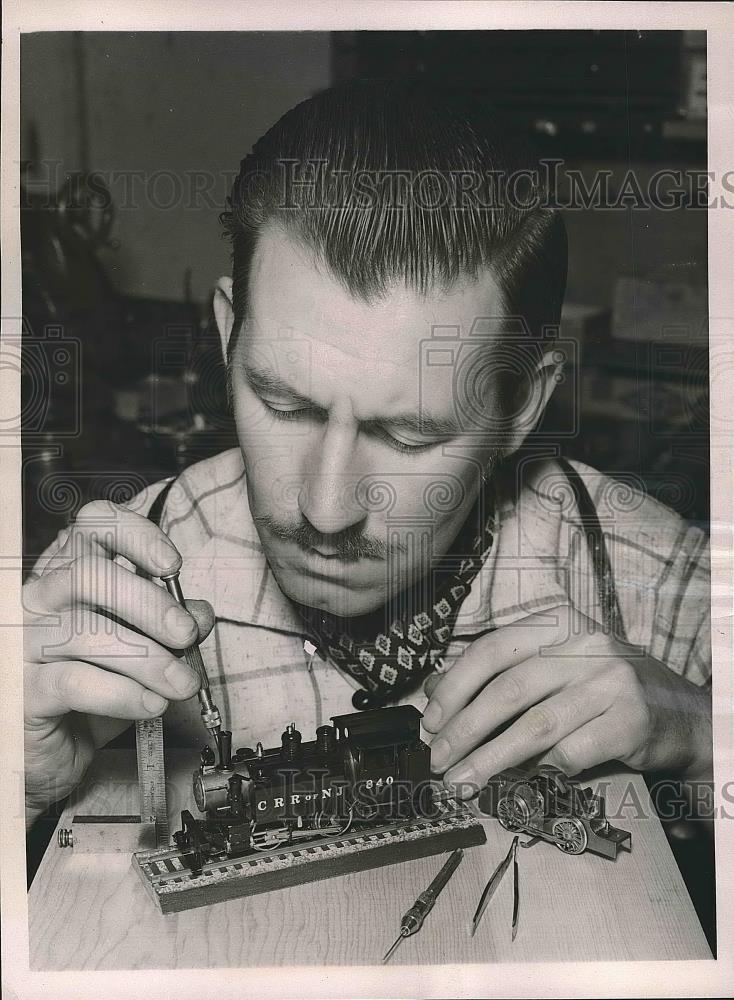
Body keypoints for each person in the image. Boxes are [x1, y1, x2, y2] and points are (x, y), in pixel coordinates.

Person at [23, 80, 712, 829]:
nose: (324, 509)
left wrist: (705, 735)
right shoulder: (105, 592)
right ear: (227, 340)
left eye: (406, 436)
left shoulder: (654, 581)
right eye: (285, 405)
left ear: (522, 409)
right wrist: (21, 786)